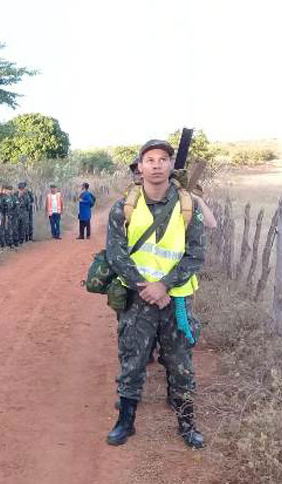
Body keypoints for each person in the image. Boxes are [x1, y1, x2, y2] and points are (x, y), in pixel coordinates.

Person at [105, 139, 206, 449]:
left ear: (170, 165)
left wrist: (164, 285)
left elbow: (196, 253)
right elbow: (116, 253)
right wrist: (144, 287)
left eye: (163, 159)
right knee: (132, 361)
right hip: (137, 300)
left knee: (180, 363)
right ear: (140, 167)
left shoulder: (187, 205)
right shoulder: (124, 206)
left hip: (175, 299)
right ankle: (125, 422)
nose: (157, 164)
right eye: (150, 159)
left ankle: (187, 423)